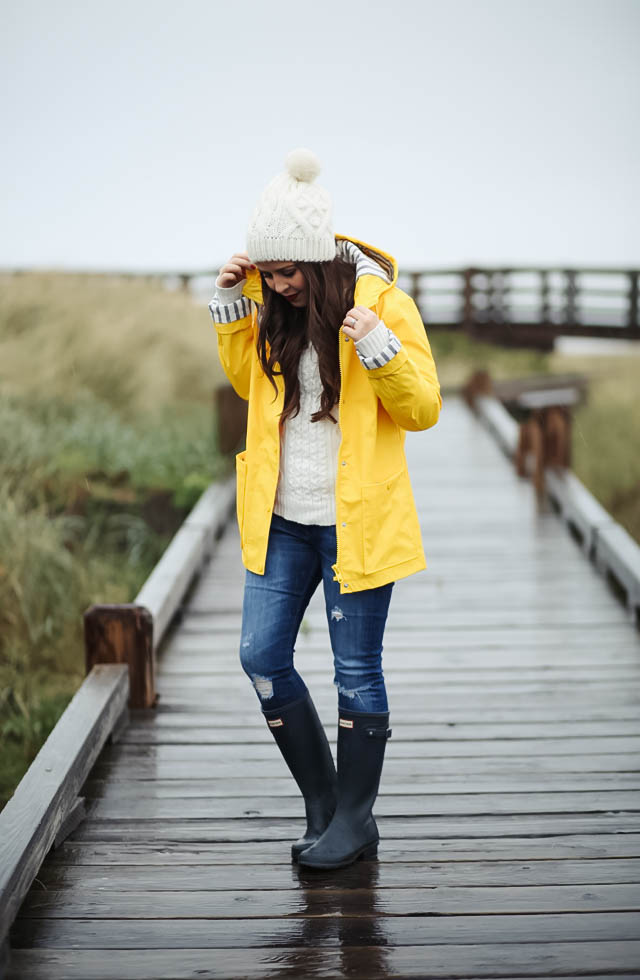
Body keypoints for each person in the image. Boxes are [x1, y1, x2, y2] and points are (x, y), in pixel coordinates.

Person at [208, 148, 441, 870]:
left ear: (319, 257)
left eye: (288, 272)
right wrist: (232, 311)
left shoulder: (383, 307)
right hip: (281, 521)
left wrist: (378, 348)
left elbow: (424, 408)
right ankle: (323, 800)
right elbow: (250, 387)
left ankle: (355, 820)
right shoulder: (274, 308)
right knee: (260, 655)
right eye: (268, 272)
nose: (278, 284)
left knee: (357, 673)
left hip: (355, 525)